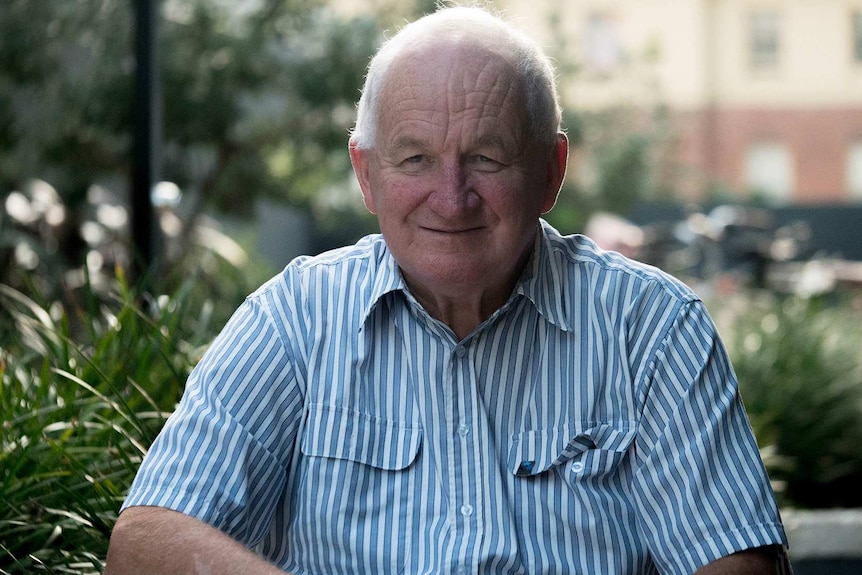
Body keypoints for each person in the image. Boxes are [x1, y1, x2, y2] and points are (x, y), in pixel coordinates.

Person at [105, 5, 792, 574]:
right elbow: (144, 542)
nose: (451, 195)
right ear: (366, 173)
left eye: (487, 157)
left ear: (550, 172)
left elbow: (736, 566)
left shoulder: (653, 327)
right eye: (415, 159)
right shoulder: (295, 320)